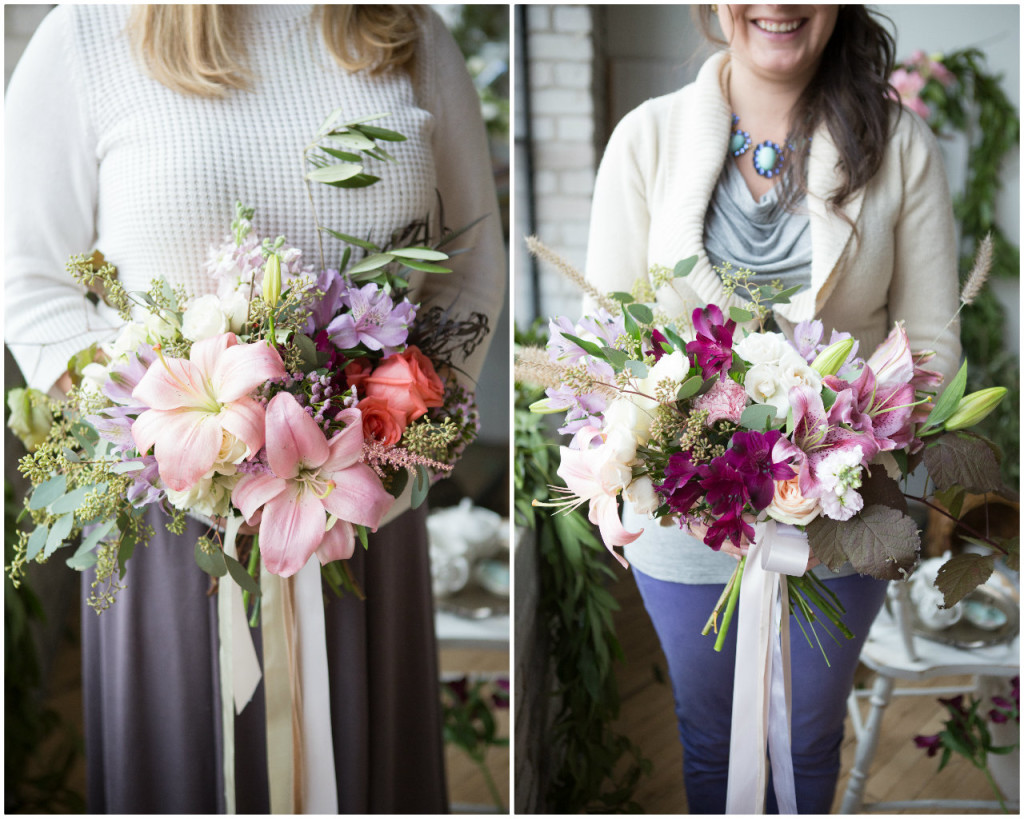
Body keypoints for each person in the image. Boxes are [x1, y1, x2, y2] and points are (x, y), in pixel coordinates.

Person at [5, 4, 504, 813]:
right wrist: (171, 441)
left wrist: (402, 440)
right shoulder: (87, 34)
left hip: (364, 501)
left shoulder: (407, 29)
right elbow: (29, 283)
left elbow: (472, 257)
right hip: (173, 519)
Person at [584, 4, 960, 814]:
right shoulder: (644, 140)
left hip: (846, 511)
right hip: (684, 515)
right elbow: (607, 343)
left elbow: (931, 346)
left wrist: (840, 443)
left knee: (809, 740)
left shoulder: (900, 147)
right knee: (708, 736)